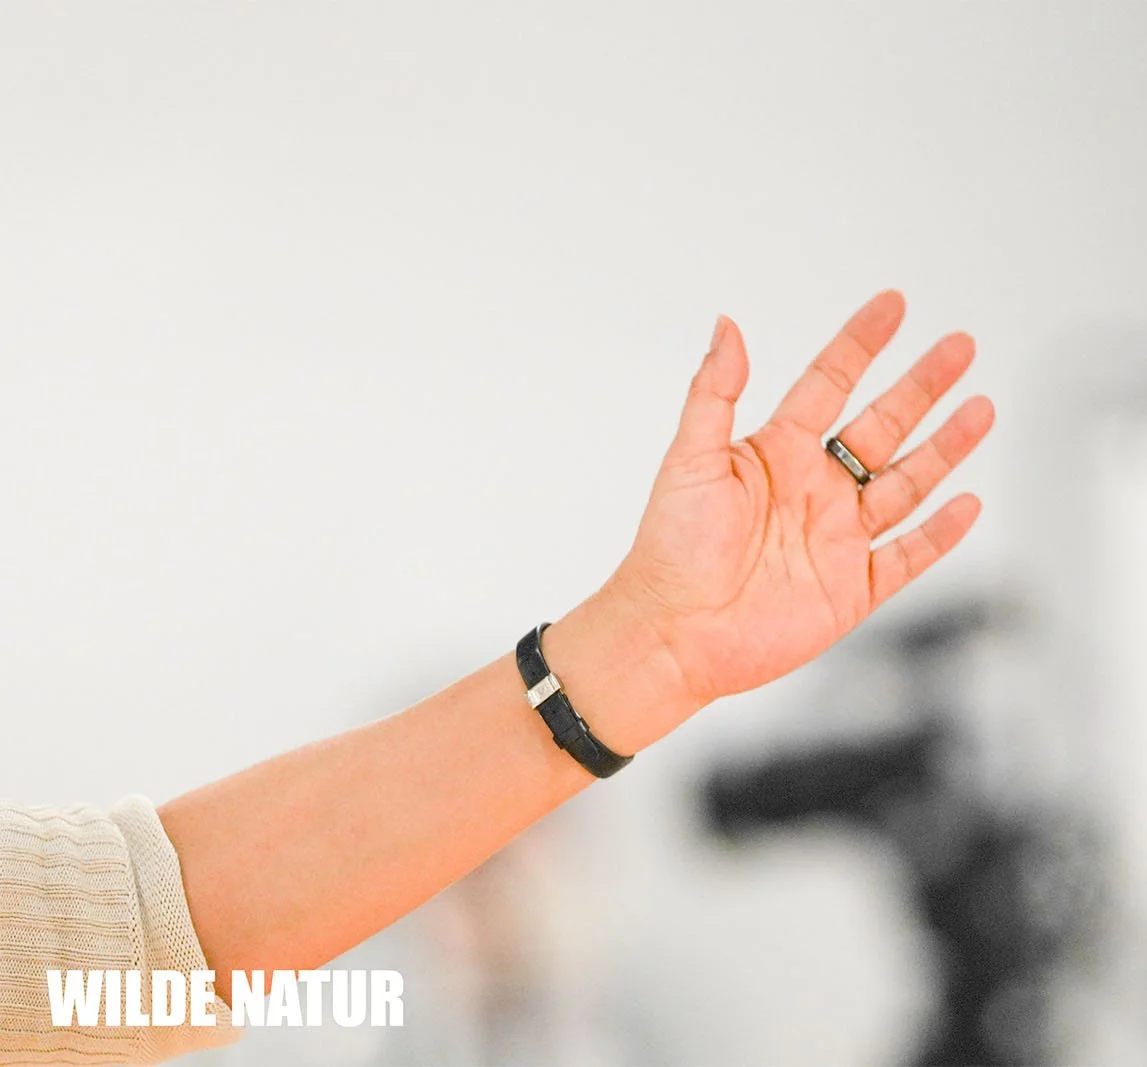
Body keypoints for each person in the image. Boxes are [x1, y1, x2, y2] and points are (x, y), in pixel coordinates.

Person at [0, 290, 994, 1064]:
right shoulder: (326, 1031)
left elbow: (116, 936)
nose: (490, 890)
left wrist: (644, 649)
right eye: (469, 868)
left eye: (515, 854)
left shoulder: (657, 1022)